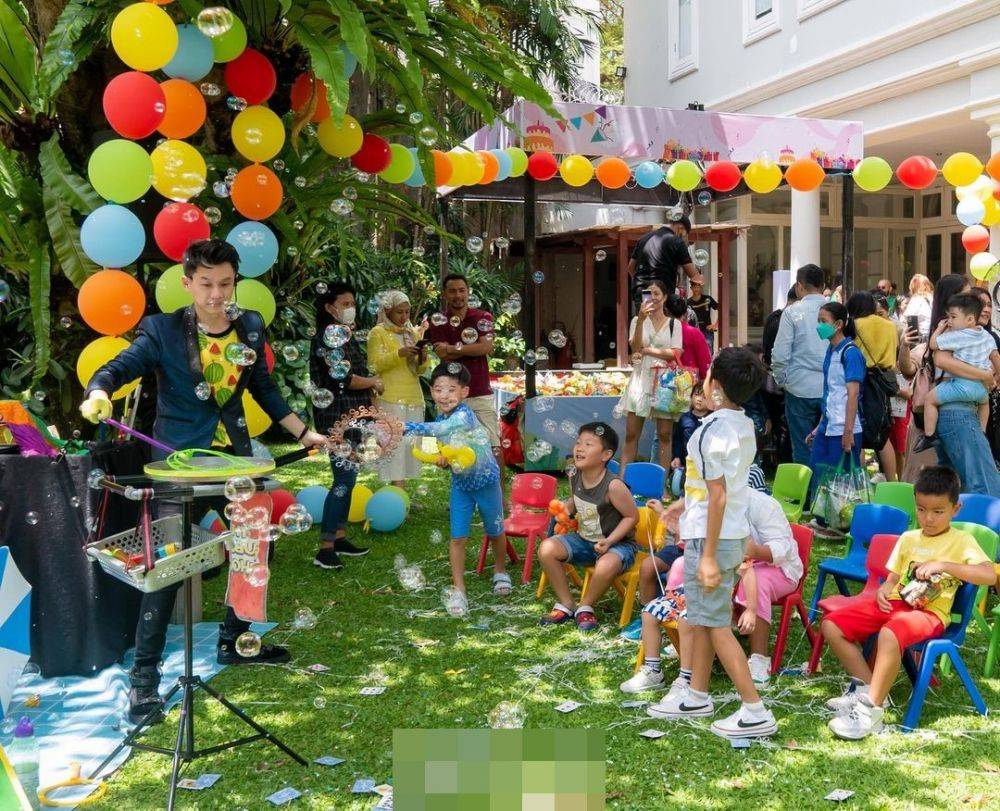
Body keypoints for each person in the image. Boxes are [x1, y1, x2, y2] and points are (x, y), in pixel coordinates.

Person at [80, 239, 328, 723]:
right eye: (207, 284)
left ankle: (236, 639)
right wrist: (98, 390)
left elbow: (263, 388)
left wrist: (304, 431)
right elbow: (118, 368)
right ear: (188, 282)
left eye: (226, 283)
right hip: (176, 461)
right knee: (167, 566)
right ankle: (144, 683)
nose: (217, 294)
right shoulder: (162, 329)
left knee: (257, 542)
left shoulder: (250, 327)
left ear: (237, 281)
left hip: (233, 460)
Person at [638, 347, 776, 738]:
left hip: (713, 540)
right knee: (700, 617)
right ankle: (697, 694)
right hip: (722, 532)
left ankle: (754, 711)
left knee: (715, 624)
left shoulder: (710, 432)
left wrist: (710, 555)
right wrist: (680, 505)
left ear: (714, 385)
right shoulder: (741, 424)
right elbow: (716, 486)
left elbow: (717, 495)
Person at [822, 466, 996, 740]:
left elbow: (988, 574)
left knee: (890, 633)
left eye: (938, 512)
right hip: (894, 605)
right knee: (832, 625)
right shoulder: (908, 538)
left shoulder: (962, 541)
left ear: (956, 508)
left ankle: (871, 712)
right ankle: (868, 688)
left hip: (930, 614)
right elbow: (892, 579)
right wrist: (883, 590)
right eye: (921, 509)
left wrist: (945, 565)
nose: (928, 518)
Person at [622, 488, 801, 693]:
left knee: (754, 580)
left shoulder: (761, 506)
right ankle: (660, 662)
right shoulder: (703, 502)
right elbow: (688, 543)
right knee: (678, 568)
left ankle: (758, 657)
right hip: (712, 575)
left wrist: (750, 552)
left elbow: (778, 550)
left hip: (772, 565)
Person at [404, 362, 510, 608]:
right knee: (457, 537)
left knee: (494, 531)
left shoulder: (463, 415)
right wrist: (443, 460)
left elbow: (443, 429)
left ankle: (500, 571)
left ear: (464, 392)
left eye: (452, 389)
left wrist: (405, 427)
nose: (444, 395)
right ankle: (459, 588)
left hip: (486, 482)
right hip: (461, 485)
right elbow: (446, 449)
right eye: (439, 389)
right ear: (431, 392)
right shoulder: (442, 416)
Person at [537, 422, 639, 632]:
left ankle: (585, 605)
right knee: (547, 549)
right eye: (578, 442)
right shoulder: (575, 474)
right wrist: (565, 512)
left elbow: (632, 517)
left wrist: (610, 541)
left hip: (617, 544)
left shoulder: (613, 486)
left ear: (606, 455)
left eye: (588, 444)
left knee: (606, 564)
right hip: (585, 540)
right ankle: (567, 603)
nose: (579, 448)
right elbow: (575, 501)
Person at [311, 282, 382, 570]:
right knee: (343, 480)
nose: (351, 308)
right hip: (337, 418)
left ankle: (339, 537)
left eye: (353, 302)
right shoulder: (328, 339)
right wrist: (375, 383)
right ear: (330, 308)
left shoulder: (344, 336)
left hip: (353, 415)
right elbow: (345, 379)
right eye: (345, 303)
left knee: (349, 477)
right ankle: (325, 548)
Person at [424, 274, 502, 470]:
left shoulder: (482, 317)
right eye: (452, 291)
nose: (458, 295)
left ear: (468, 292)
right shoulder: (438, 322)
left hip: (480, 392)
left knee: (494, 446)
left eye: (462, 290)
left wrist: (452, 348)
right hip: (453, 396)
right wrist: (471, 348)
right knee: (455, 450)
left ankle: (499, 500)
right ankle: (465, 498)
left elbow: (485, 348)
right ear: (444, 294)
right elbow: (443, 354)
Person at [914, 292, 1000, 453]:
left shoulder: (958, 336)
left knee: (930, 399)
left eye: (953, 317)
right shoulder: (987, 336)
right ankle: (981, 432)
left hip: (961, 385)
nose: (950, 322)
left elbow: (933, 345)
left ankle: (929, 436)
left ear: (969, 319)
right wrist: (996, 378)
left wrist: (939, 329)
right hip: (981, 389)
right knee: (984, 404)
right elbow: (996, 357)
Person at [619, 280, 684, 476]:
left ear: (664, 297)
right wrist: (639, 320)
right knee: (631, 433)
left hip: (664, 382)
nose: (652, 298)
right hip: (640, 380)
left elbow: (675, 353)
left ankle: (661, 484)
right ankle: (623, 481)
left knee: (665, 435)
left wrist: (647, 350)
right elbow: (635, 347)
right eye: (648, 294)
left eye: (657, 294)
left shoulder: (674, 324)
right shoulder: (636, 321)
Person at [366, 290, 430, 486]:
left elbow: (419, 370)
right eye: (399, 312)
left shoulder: (411, 332)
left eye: (407, 312)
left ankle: (399, 493)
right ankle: (397, 496)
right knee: (393, 446)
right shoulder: (378, 332)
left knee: (409, 447)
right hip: (390, 397)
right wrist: (399, 353)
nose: (404, 317)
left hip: (413, 396)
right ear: (388, 311)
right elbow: (373, 365)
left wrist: (423, 357)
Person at [771, 264, 829, 469]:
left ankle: (805, 496)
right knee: (828, 445)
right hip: (829, 386)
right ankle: (822, 495)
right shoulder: (836, 310)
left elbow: (780, 354)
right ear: (823, 285)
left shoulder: (792, 312)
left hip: (799, 386)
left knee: (802, 448)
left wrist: (782, 380)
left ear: (799, 286)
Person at [807, 302, 865, 501]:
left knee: (839, 481)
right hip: (827, 426)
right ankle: (822, 518)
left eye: (824, 321)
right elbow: (830, 393)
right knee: (819, 473)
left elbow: (853, 394)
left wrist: (848, 432)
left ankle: (839, 522)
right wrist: (819, 427)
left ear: (839, 324)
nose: (819, 326)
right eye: (818, 321)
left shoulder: (850, 353)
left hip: (843, 427)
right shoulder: (831, 351)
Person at [847, 291, 899, 481]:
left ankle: (859, 481)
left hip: (860, 380)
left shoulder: (855, 325)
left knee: (858, 433)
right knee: (882, 434)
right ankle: (893, 481)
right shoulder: (890, 326)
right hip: (883, 381)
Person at [627, 216, 703, 308]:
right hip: (661, 293)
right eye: (684, 234)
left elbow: (630, 268)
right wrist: (699, 277)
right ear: (681, 228)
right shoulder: (678, 242)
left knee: (645, 320)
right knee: (660, 322)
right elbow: (693, 275)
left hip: (642, 291)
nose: (683, 237)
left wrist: (644, 281)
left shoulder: (643, 239)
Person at [973, 286, 1000, 465]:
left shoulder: (993, 338)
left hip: (992, 406)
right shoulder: (960, 337)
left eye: (989, 304)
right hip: (969, 403)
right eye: (981, 304)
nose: (987, 309)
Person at [665, 293, 711, 380]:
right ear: (686, 312)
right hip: (689, 383)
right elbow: (704, 363)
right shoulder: (694, 333)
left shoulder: (661, 332)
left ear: (666, 311)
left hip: (663, 383)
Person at [687, 281, 718, 349]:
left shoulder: (708, 299)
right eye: (694, 287)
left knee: (708, 352)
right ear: (691, 288)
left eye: (698, 287)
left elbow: (721, 308)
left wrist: (716, 324)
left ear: (701, 288)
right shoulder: (687, 302)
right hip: (693, 332)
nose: (696, 289)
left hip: (707, 331)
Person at [903, 274, 934, 340]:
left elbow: (908, 318)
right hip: (933, 334)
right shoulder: (933, 297)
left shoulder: (916, 298)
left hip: (922, 336)